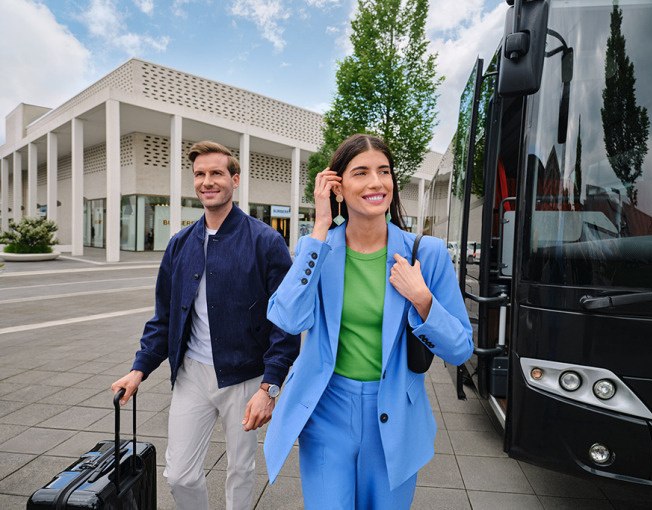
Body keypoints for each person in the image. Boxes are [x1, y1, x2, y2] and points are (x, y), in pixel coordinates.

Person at [263, 134, 474, 509]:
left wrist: (423, 300)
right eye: (360, 172)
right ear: (337, 186)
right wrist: (320, 228)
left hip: (396, 415)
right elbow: (288, 318)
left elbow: (460, 350)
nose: (376, 183)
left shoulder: (427, 253)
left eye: (384, 172)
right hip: (327, 410)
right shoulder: (318, 249)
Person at [111, 140, 300, 510]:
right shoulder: (180, 244)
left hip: (245, 377)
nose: (207, 181)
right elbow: (164, 318)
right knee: (178, 475)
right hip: (192, 374)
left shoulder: (266, 242)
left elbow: (287, 324)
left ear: (235, 179)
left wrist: (270, 386)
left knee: (241, 471)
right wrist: (138, 370)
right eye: (200, 174)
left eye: (216, 173)